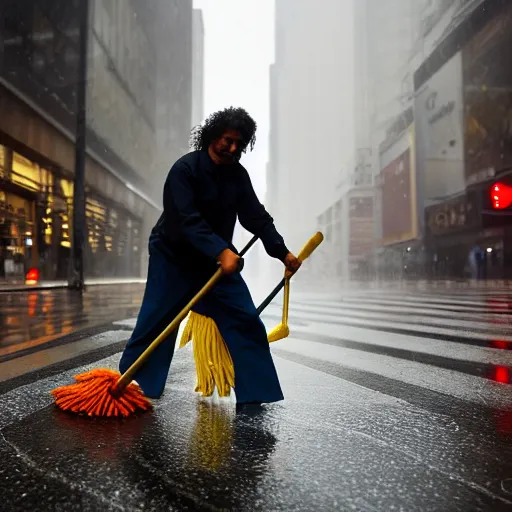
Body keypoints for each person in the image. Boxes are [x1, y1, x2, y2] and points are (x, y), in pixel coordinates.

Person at [119, 107, 301, 405]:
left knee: (245, 319)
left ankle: (256, 394)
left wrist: (282, 252)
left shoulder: (237, 176)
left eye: (239, 144)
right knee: (157, 322)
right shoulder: (184, 170)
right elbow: (186, 219)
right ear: (212, 136)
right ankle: (136, 387)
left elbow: (256, 218)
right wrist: (220, 250)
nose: (232, 148)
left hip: (216, 264)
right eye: (227, 140)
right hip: (173, 256)